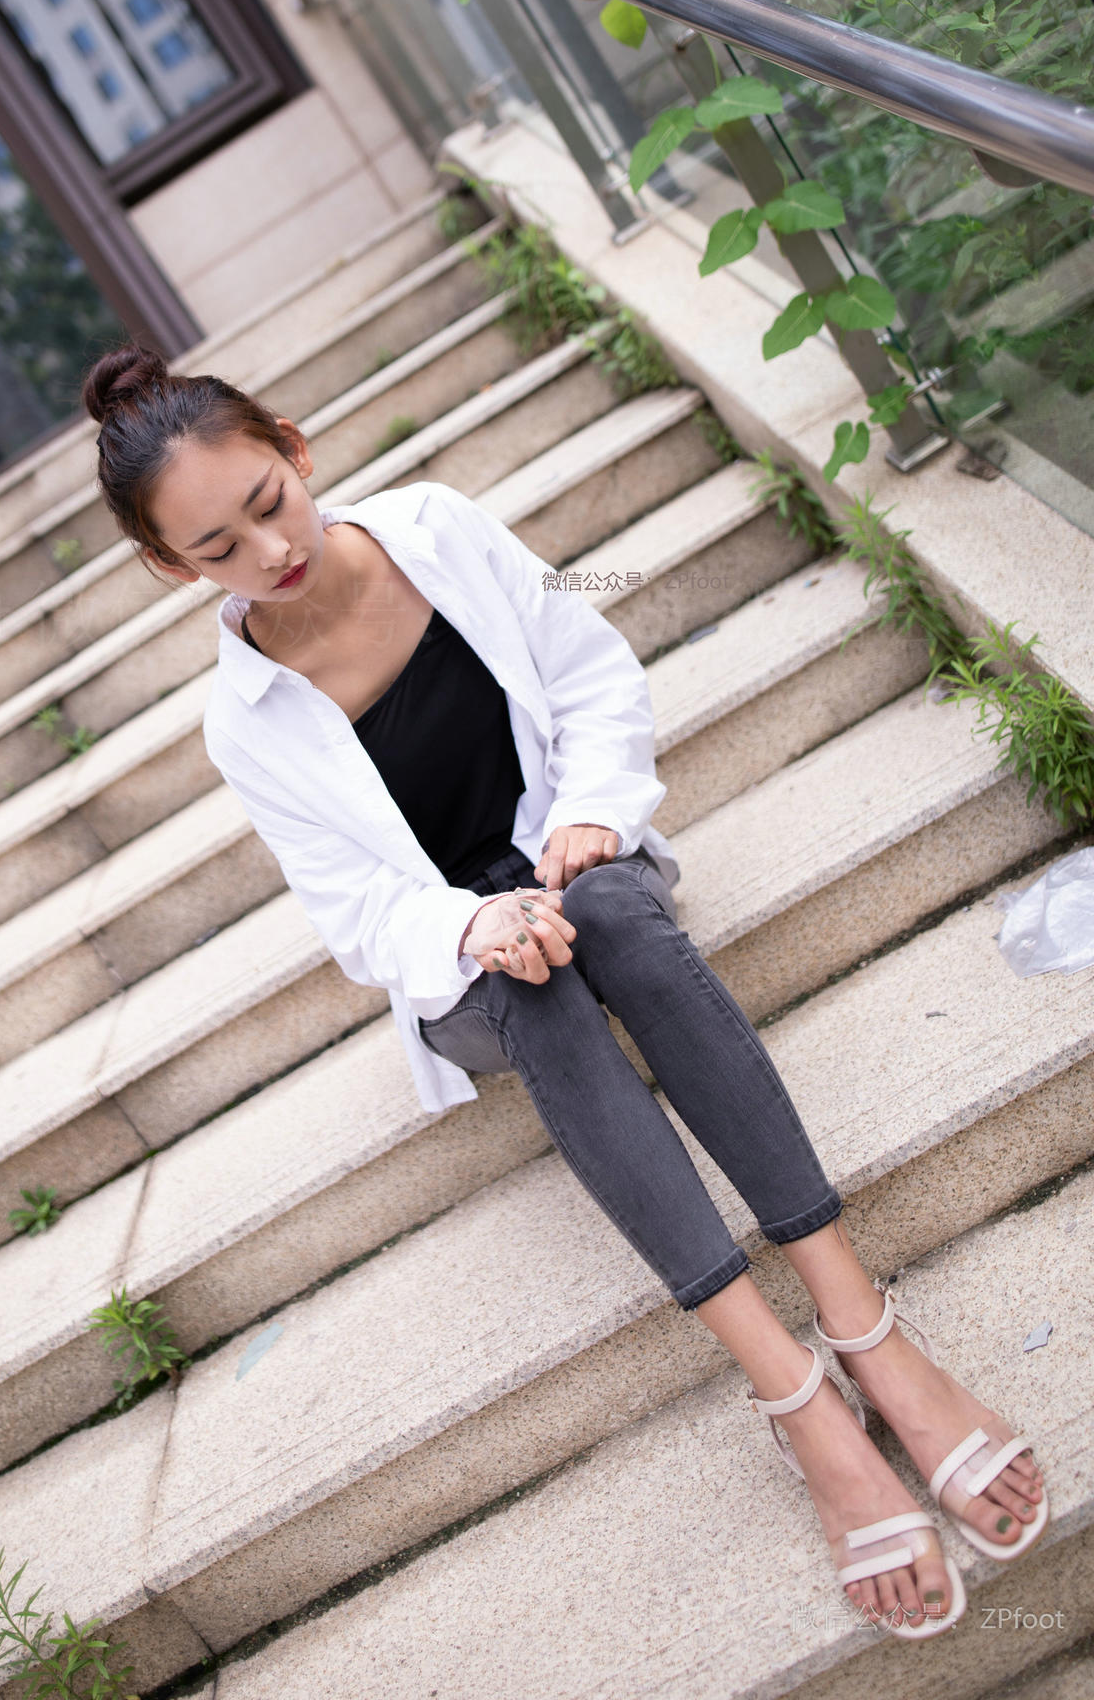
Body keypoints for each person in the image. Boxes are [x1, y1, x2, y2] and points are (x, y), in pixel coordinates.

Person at [84, 339, 1049, 1640]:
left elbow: (589, 674)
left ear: (295, 452)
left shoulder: (437, 531)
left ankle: (861, 1325)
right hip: (462, 960)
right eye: (219, 549)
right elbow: (358, 915)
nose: (271, 551)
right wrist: (474, 926)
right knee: (537, 987)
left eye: (271, 502)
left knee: (611, 921)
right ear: (170, 566)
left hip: (572, 862)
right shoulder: (243, 722)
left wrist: (589, 817)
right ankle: (794, 1396)